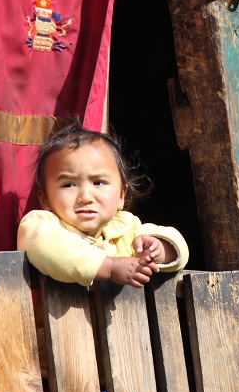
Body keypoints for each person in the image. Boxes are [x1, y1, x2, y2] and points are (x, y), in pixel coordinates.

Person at [17, 122, 189, 288]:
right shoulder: (39, 225)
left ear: (121, 195)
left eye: (98, 182)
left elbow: (179, 247)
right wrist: (109, 267)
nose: (85, 197)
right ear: (45, 199)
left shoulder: (124, 230)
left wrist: (157, 249)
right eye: (68, 185)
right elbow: (47, 249)